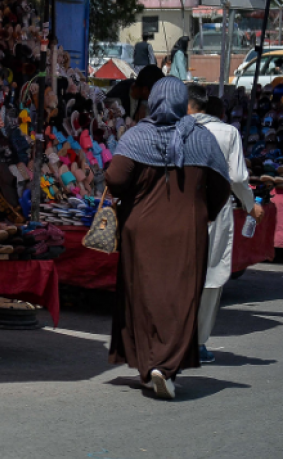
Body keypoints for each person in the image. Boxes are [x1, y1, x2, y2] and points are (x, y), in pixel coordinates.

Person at [106, 77, 231, 400]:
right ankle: (165, 367)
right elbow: (221, 187)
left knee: (142, 297)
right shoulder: (202, 139)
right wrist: (203, 212)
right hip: (186, 231)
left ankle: (149, 366)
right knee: (179, 297)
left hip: (141, 230)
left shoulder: (137, 135)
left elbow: (116, 179)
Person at [187, 88, 264, 363]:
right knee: (210, 276)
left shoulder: (176, 128)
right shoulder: (227, 133)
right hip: (214, 211)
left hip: (178, 211)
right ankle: (197, 343)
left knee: (181, 274)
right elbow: (237, 179)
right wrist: (250, 204)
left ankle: (174, 339)